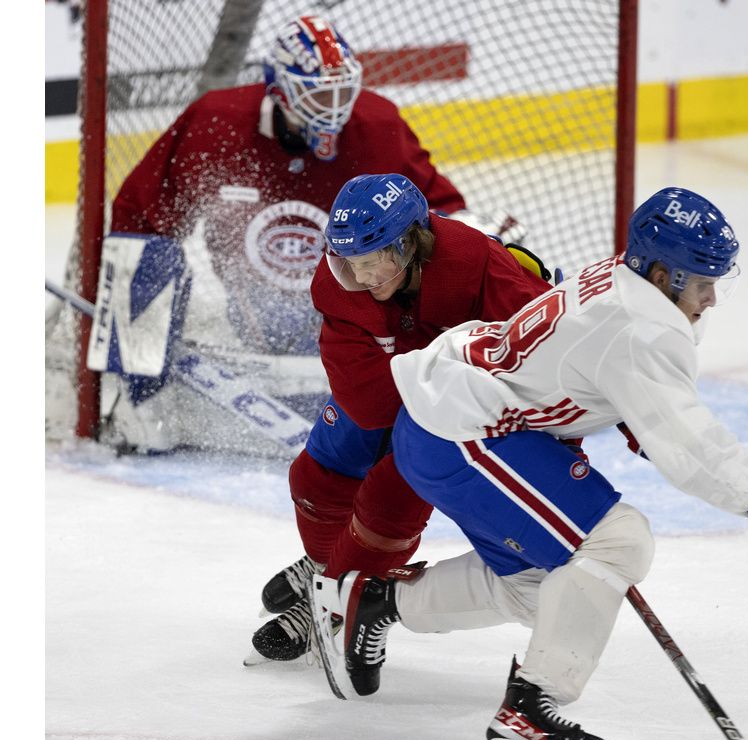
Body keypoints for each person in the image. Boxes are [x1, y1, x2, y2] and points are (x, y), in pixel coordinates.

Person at [310, 187, 748, 740]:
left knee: (547, 590)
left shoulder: (628, 285)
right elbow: (687, 443)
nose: (711, 299)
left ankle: (376, 601)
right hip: (459, 428)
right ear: (663, 275)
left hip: (457, 418)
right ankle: (530, 711)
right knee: (619, 541)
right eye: (703, 282)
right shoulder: (642, 326)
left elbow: (605, 380)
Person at [106, 15, 520, 451]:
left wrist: (479, 236)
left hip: (361, 319)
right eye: (320, 93)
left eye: (343, 91)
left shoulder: (377, 125)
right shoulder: (216, 121)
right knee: (141, 253)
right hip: (256, 320)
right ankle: (140, 402)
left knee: (459, 255)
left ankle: (492, 376)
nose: (336, 107)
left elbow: (440, 212)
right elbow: (138, 216)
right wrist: (139, 336)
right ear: (280, 90)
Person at [247, 173, 552, 663]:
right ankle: (325, 569)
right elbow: (364, 401)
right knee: (315, 476)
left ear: (412, 244)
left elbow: (546, 352)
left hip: (463, 407)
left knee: (391, 504)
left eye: (372, 264)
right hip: (390, 388)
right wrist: (424, 386)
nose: (361, 279)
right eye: (349, 265)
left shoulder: (476, 264)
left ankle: (333, 605)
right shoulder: (337, 285)